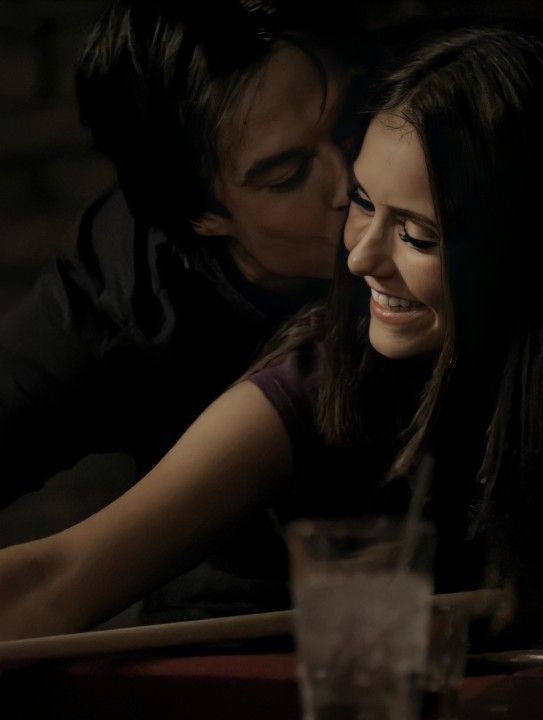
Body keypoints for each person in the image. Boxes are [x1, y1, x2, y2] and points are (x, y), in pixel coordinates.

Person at [0, 21, 543, 673]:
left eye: (419, 232)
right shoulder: (304, 362)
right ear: (206, 213)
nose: (358, 246)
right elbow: (58, 575)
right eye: (294, 175)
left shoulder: (455, 111)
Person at [0, 0, 364, 621]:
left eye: (355, 125)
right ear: (202, 214)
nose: (352, 182)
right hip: (224, 626)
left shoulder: (445, 121)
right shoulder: (123, 289)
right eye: (288, 175)